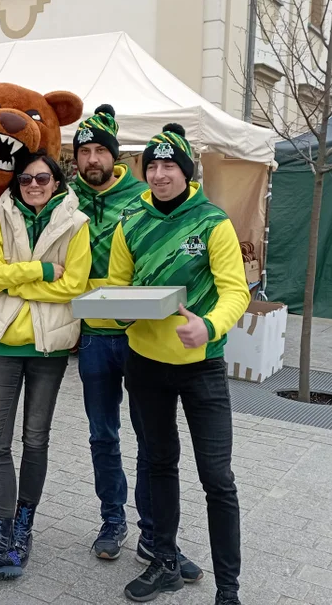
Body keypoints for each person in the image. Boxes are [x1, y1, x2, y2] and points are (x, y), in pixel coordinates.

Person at [108, 124, 250, 605]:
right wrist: (119, 309)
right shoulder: (132, 220)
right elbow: (117, 284)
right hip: (145, 363)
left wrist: (208, 327)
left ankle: (228, 590)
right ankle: (165, 563)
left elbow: (236, 290)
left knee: (217, 478)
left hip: (201, 367)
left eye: (170, 165)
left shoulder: (212, 221)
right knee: (158, 463)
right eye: (152, 165)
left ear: (186, 172)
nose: (160, 173)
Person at [70, 107, 204, 580]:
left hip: (140, 338)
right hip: (92, 340)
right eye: (83, 151)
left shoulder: (144, 194)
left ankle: (154, 537)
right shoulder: (67, 202)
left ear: (114, 154)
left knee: (152, 441)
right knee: (102, 435)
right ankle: (112, 521)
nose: (92, 159)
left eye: (99, 150)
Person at [0, 150, 91, 581]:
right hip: (3, 341)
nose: (33, 186)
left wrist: (21, 279)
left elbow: (75, 284)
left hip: (48, 346)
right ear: (16, 184)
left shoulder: (77, 224)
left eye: (42, 178)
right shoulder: (0, 216)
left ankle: (23, 529)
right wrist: (42, 270)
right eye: (25, 180)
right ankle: (0, 534)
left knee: (35, 438)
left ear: (57, 182)